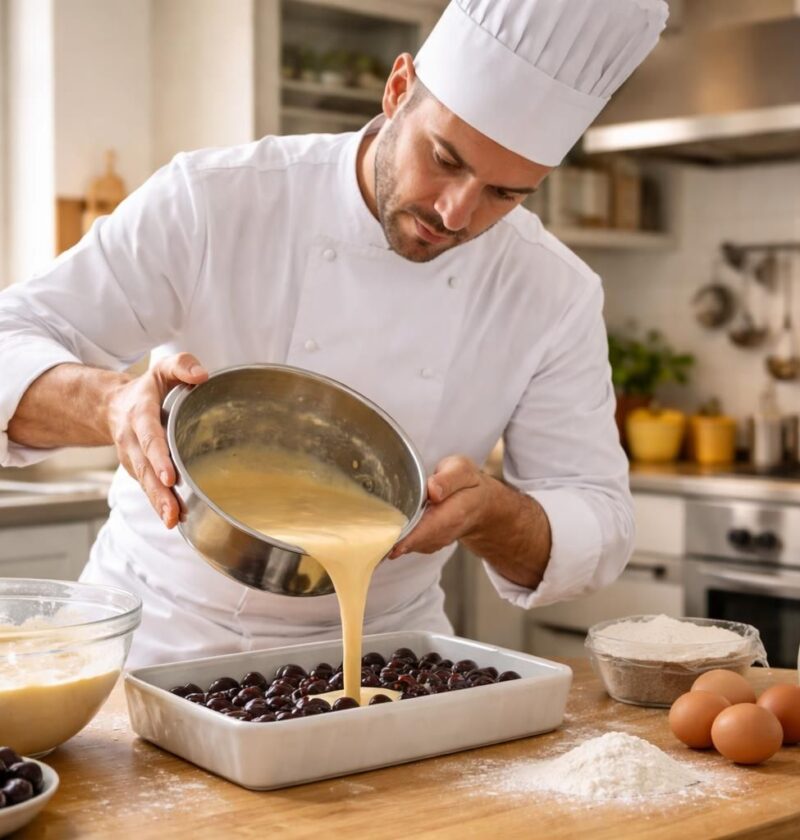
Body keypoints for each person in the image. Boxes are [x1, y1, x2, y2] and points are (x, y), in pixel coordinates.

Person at [0, 0, 668, 667]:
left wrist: (492, 514)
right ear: (398, 88)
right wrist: (110, 403)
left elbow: (600, 522)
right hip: (157, 640)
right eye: (444, 158)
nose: (455, 212)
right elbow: (13, 336)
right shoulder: (214, 200)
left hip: (386, 660)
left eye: (505, 194)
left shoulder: (552, 290)